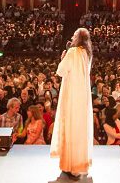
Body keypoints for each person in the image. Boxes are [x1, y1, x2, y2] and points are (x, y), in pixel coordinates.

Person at [51, 27, 94, 180]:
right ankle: (79, 164)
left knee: (70, 127)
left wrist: (63, 57)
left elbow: (61, 71)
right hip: (82, 97)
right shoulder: (87, 54)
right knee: (79, 128)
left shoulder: (73, 52)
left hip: (71, 95)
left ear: (77, 38)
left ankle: (70, 165)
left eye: (74, 35)